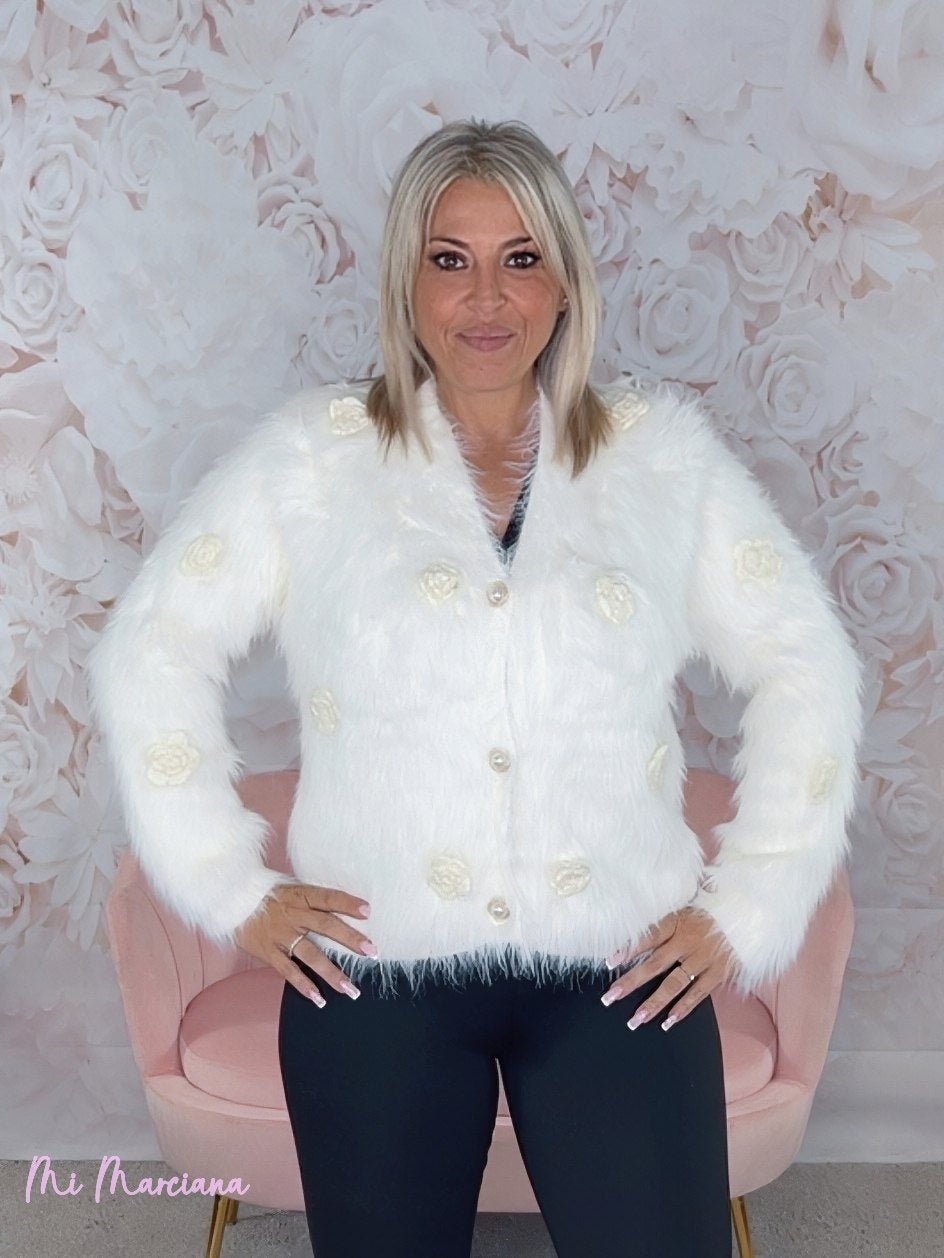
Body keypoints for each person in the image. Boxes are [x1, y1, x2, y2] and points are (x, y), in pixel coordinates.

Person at [88, 119, 865, 1258]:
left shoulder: (660, 460)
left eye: (521, 258)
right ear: (406, 282)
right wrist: (227, 884)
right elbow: (150, 646)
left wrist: (746, 905)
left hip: (618, 964)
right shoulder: (311, 460)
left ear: (565, 281)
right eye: (449, 258)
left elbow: (807, 662)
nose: (486, 298)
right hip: (376, 964)